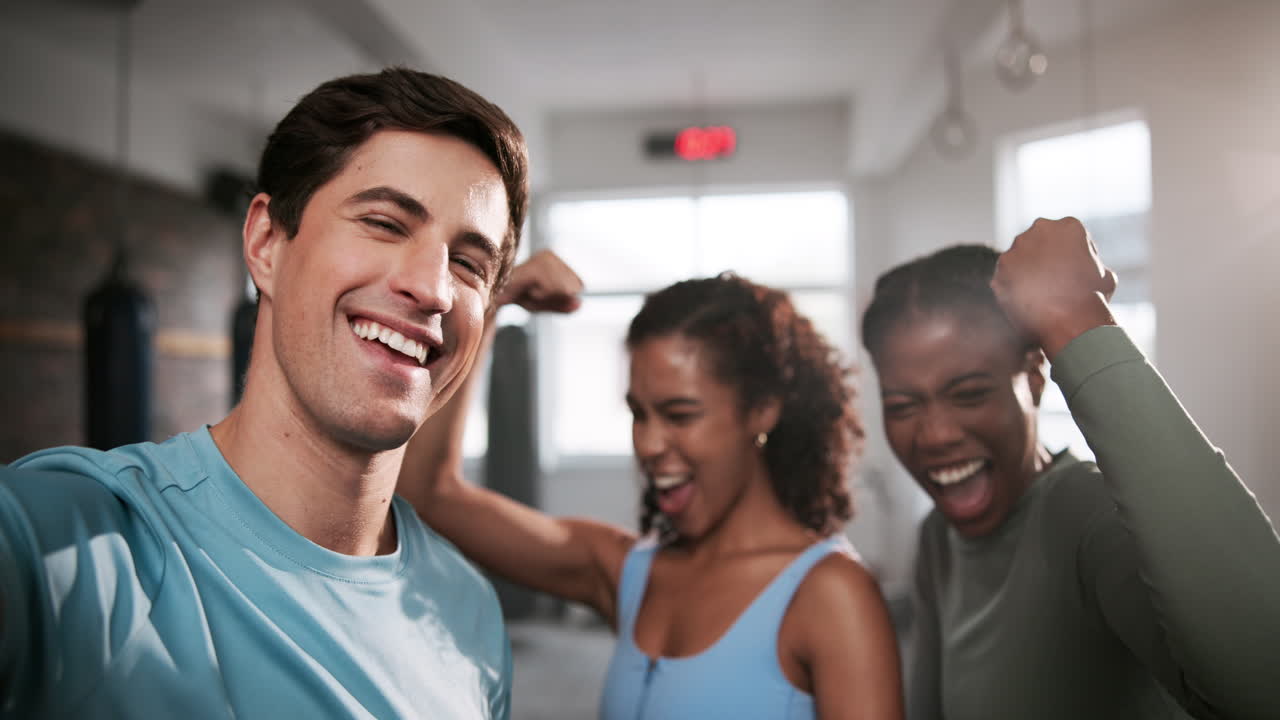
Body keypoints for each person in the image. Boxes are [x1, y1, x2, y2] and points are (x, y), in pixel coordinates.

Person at [0, 67, 554, 718]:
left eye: (469, 264)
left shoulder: (468, 614)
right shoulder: (63, 543)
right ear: (266, 243)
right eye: (384, 222)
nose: (433, 288)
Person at [400, 270, 905, 719]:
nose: (649, 444)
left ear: (763, 410)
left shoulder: (832, 596)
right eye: (639, 414)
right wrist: (491, 300)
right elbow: (431, 491)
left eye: (680, 415)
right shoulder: (630, 573)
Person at [861, 218, 1280, 720]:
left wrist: (1078, 324)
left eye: (969, 393)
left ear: (1035, 378)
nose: (934, 435)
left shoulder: (1091, 518)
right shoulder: (937, 538)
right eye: (903, 406)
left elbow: (1266, 685)